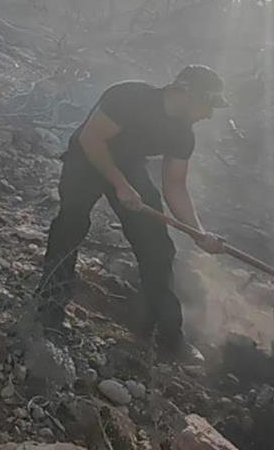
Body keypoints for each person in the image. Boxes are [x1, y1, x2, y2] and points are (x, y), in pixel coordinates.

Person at [37, 65, 229, 357]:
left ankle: (164, 335)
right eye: (208, 104)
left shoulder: (183, 135)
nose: (209, 114)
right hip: (87, 157)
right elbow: (91, 138)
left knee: (158, 247)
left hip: (129, 165)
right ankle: (48, 312)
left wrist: (198, 233)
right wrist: (121, 185)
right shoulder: (129, 97)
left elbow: (175, 186)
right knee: (70, 225)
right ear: (186, 93)